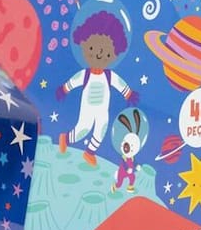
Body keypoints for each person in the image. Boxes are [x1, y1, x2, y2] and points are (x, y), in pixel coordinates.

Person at [56, 10, 139, 166]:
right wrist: (64, 89)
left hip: (102, 110)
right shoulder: (85, 74)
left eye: (107, 54)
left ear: (114, 55)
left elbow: (119, 84)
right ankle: (65, 139)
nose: (99, 54)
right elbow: (74, 81)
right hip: (87, 108)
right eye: (92, 49)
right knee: (83, 129)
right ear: (83, 45)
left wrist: (128, 94)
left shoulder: (109, 76)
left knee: (101, 129)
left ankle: (89, 152)